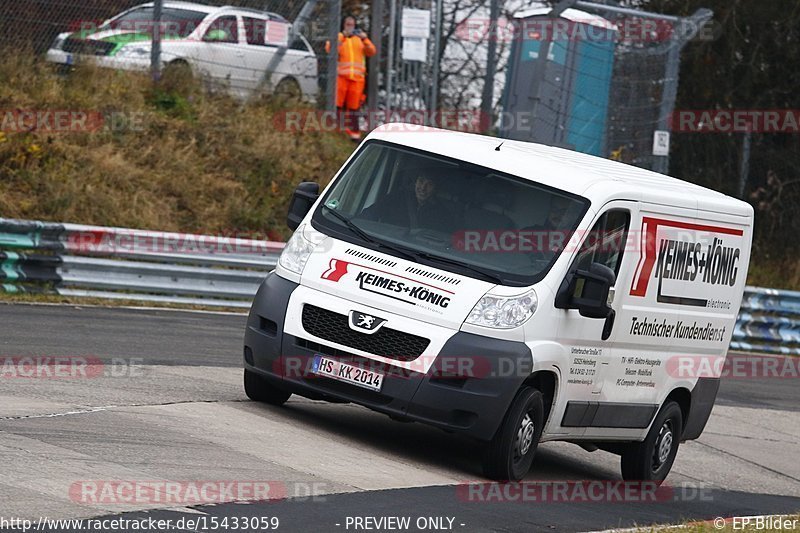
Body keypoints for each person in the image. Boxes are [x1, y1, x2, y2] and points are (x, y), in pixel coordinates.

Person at [325, 15, 376, 141]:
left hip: (357, 79)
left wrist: (365, 39)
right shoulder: (339, 38)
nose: (350, 27)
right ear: (343, 25)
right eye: (348, 24)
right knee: (337, 104)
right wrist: (343, 36)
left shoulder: (360, 40)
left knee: (354, 107)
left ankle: (354, 134)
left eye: (352, 25)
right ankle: (336, 130)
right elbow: (329, 49)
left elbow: (372, 52)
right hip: (341, 77)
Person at [362, 173, 457, 232]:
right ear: (415, 182)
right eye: (421, 181)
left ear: (435, 188)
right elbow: (369, 215)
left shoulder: (442, 215)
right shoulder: (396, 198)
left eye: (429, 184)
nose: (423, 188)